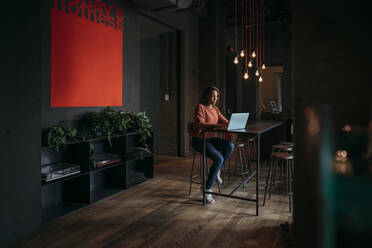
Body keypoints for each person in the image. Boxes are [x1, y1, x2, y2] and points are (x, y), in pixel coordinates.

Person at [191, 85, 234, 203]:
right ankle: (207, 189)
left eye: (216, 97)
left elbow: (224, 121)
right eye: (212, 96)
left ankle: (218, 170)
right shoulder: (200, 107)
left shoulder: (215, 109)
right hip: (199, 140)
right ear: (206, 96)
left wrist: (232, 123)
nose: (215, 99)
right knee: (219, 158)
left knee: (230, 145)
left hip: (210, 139)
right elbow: (200, 124)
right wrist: (219, 126)